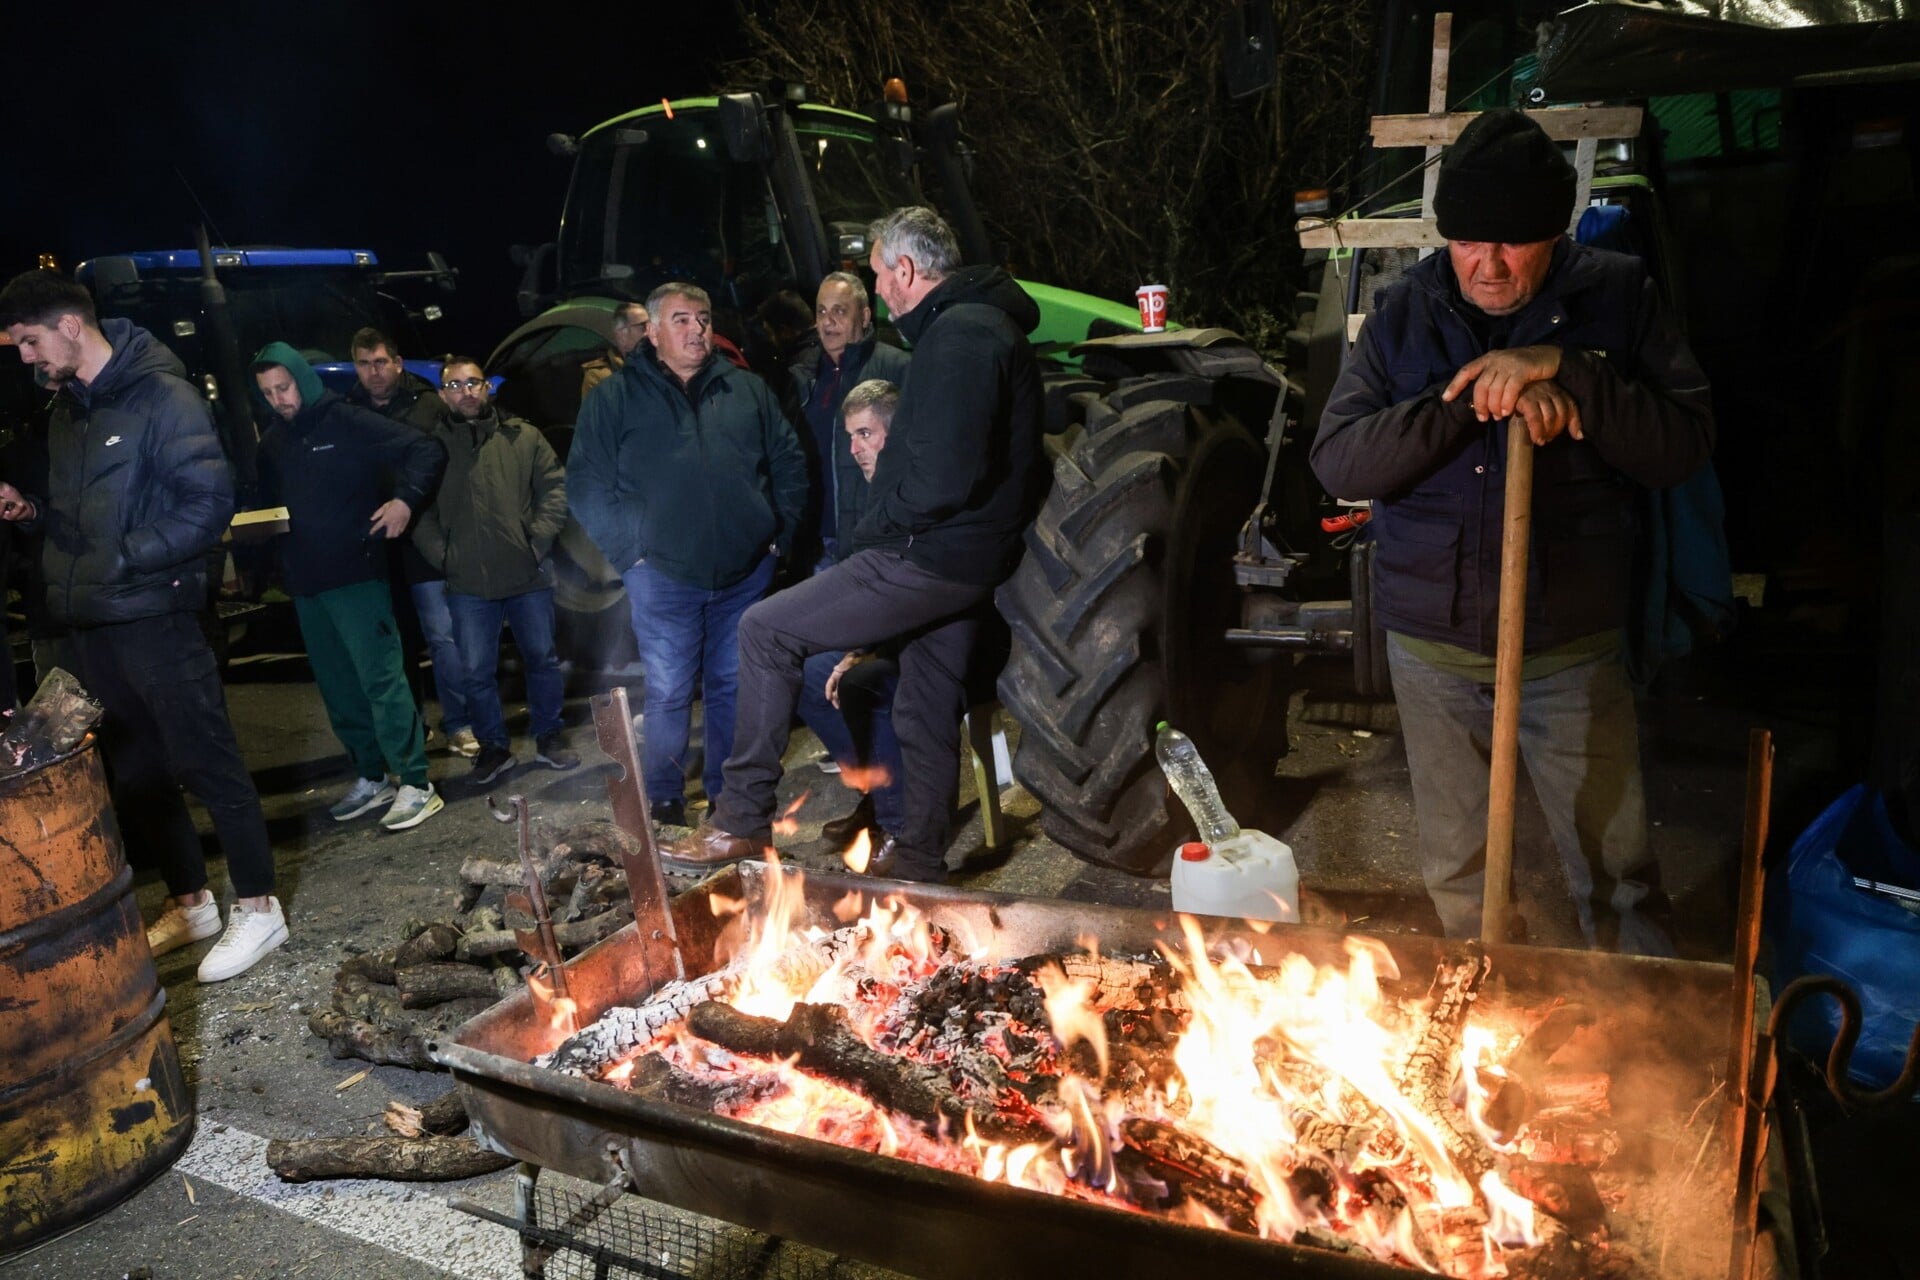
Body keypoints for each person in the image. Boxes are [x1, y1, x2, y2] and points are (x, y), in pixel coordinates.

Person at [1309, 108, 1715, 953]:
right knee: (1460, 872)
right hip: (1434, 646)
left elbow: (1681, 446)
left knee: (1617, 871)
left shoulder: (1619, 297)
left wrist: (1572, 371)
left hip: (1569, 646)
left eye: (1513, 244)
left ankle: (1644, 1008)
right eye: (1467, 243)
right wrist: (1471, 398)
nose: (1487, 266)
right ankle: (1488, 1000)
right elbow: (1340, 460)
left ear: (1554, 234)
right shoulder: (1403, 313)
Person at [673, 207, 1047, 882]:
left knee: (765, 630)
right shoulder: (976, 326)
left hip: (929, 556)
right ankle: (919, 857)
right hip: (963, 561)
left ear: (905, 268)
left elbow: (944, 476)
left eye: (877, 275)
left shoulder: (960, 334)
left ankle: (740, 819)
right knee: (923, 703)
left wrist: (877, 529)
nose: (877, 290)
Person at [0, 269, 283, 982]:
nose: (26, 358)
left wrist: (127, 556)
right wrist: (32, 515)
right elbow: (79, 520)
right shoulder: (68, 411)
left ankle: (260, 907)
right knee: (137, 775)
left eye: (30, 341)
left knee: (206, 761)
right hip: (92, 621)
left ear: (70, 326)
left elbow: (209, 501)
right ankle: (192, 904)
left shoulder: (164, 395)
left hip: (156, 614)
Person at [566, 282, 807, 828]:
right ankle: (666, 799)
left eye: (703, 318)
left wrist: (778, 537)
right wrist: (631, 554)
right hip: (662, 576)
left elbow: (789, 462)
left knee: (730, 686)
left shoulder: (746, 390)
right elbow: (584, 484)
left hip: (745, 573)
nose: (697, 329)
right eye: (681, 320)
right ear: (652, 332)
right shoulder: (614, 398)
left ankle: (725, 796)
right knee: (670, 690)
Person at [253, 343, 448, 831]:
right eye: (268, 393)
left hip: (357, 576)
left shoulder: (346, 420)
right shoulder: (272, 442)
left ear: (303, 379)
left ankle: (416, 782)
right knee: (338, 688)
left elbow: (426, 449)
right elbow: (266, 506)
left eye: (284, 387)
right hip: (306, 584)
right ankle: (372, 775)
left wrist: (405, 501)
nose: (279, 399)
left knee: (381, 680)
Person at [412, 356, 577, 784]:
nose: (466, 391)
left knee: (542, 659)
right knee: (476, 671)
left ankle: (549, 736)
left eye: (473, 382)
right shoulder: (431, 449)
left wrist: (536, 543)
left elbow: (554, 487)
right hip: (468, 582)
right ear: (442, 394)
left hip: (527, 575)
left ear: (488, 388)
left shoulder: (523, 436)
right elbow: (418, 509)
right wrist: (445, 556)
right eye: (455, 385)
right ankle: (494, 748)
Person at [347, 327, 477, 759]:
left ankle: (459, 722)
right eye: (364, 364)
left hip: (423, 536)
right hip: (378, 546)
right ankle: (412, 725)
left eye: (380, 362)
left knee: (443, 637)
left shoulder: (426, 405)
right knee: (394, 642)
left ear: (397, 363)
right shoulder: (349, 411)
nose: (374, 372)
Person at [796, 379, 907, 849]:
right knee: (807, 673)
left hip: (930, 636)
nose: (854, 449)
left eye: (865, 434)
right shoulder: (869, 489)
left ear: (893, 433)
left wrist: (858, 652)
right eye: (850, 437)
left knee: (863, 682)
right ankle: (872, 792)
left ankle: (898, 825)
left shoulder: (911, 490)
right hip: (885, 631)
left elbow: (907, 592)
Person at [787, 271, 911, 572]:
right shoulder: (801, 375)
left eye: (839, 311)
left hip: (873, 540)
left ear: (865, 316)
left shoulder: (898, 368)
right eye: (821, 312)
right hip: (815, 542)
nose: (827, 322)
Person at [579, 301, 647, 401]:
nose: (650, 333)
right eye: (644, 327)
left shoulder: (660, 366)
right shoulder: (600, 379)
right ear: (622, 335)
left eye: (652, 326)